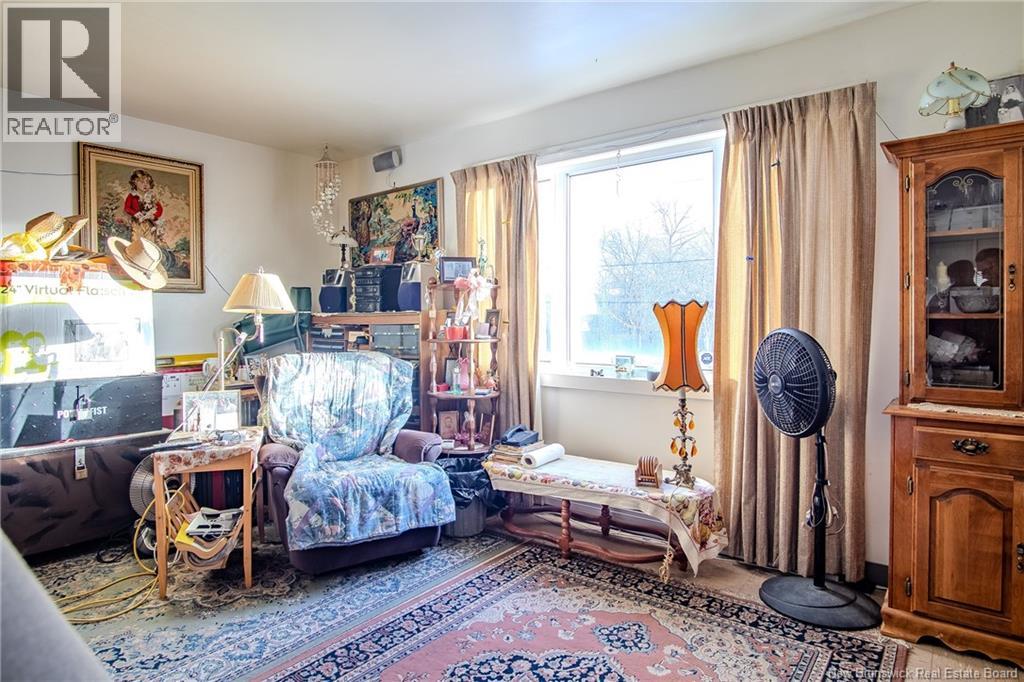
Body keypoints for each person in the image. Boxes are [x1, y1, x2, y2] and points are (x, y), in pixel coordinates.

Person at [124, 169, 164, 242]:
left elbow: (159, 209)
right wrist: (135, 213)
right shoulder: (132, 195)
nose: (145, 185)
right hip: (137, 222)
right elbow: (127, 208)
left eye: (147, 182)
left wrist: (154, 216)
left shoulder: (151, 196)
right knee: (137, 239)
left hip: (150, 223)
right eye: (142, 182)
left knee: (150, 240)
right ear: (135, 182)